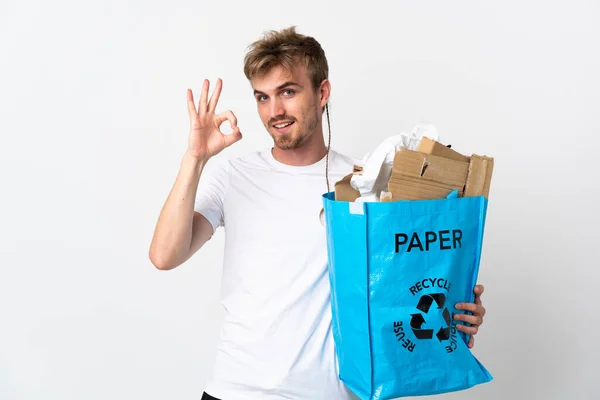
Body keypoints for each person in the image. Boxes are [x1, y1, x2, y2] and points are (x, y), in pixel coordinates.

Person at [149, 26, 487, 400]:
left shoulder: (365, 184)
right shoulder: (233, 176)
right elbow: (164, 256)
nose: (274, 111)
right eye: (262, 97)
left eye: (288, 92)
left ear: (322, 92)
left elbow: (401, 285)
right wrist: (195, 158)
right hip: (235, 391)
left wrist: (454, 309)